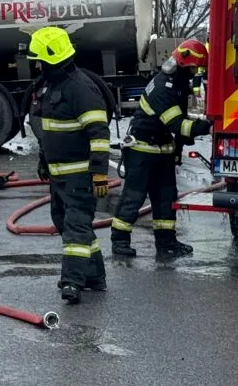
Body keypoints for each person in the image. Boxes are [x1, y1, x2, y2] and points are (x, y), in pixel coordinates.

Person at [26, 26, 112, 305]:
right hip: (59, 176)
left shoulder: (80, 88)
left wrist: (99, 173)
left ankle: (72, 282)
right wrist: (43, 161)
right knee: (67, 224)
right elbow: (48, 132)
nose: (36, 65)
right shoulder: (50, 86)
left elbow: (99, 134)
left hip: (80, 177)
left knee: (76, 229)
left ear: (52, 57)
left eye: (39, 59)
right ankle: (95, 277)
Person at [109, 38, 213, 259]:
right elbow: (178, 124)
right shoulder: (162, 88)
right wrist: (207, 127)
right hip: (141, 149)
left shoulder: (177, 84)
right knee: (134, 197)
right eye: (195, 67)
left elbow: (180, 121)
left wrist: (177, 149)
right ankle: (119, 241)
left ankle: (166, 243)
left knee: (165, 197)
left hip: (162, 148)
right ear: (185, 64)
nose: (196, 72)